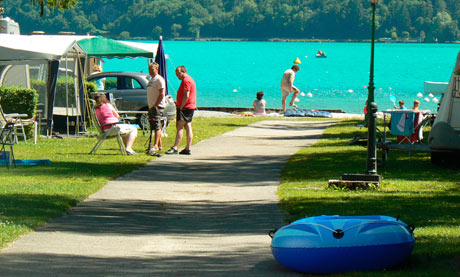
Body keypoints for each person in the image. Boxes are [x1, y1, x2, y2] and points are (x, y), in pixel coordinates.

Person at [165, 65, 196, 155]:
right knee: (187, 125)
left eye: (178, 73)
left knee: (180, 126)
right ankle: (187, 148)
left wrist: (181, 107)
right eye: (176, 74)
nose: (177, 76)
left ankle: (175, 147)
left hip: (185, 107)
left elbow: (186, 95)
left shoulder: (186, 80)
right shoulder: (188, 79)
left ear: (183, 71)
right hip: (190, 106)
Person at [146, 62, 166, 155]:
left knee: (157, 125)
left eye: (152, 69)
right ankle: (160, 145)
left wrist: (156, 105)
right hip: (151, 106)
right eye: (149, 69)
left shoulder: (159, 79)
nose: (150, 71)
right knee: (153, 125)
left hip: (157, 106)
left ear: (157, 69)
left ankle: (155, 145)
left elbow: (162, 93)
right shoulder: (151, 79)